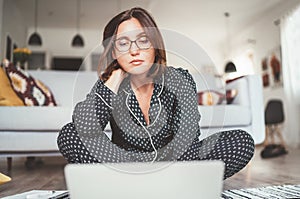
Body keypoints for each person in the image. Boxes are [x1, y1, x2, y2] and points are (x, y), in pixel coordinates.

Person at [57, 7, 254, 179]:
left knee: (241, 141)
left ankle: (147, 187)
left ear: (155, 46)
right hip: (126, 167)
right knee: (69, 134)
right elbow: (84, 128)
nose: (134, 51)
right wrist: (114, 79)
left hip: (177, 164)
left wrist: (166, 167)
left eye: (143, 40)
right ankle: (146, 186)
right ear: (114, 53)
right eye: (123, 44)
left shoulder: (180, 80)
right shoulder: (109, 85)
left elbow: (187, 142)